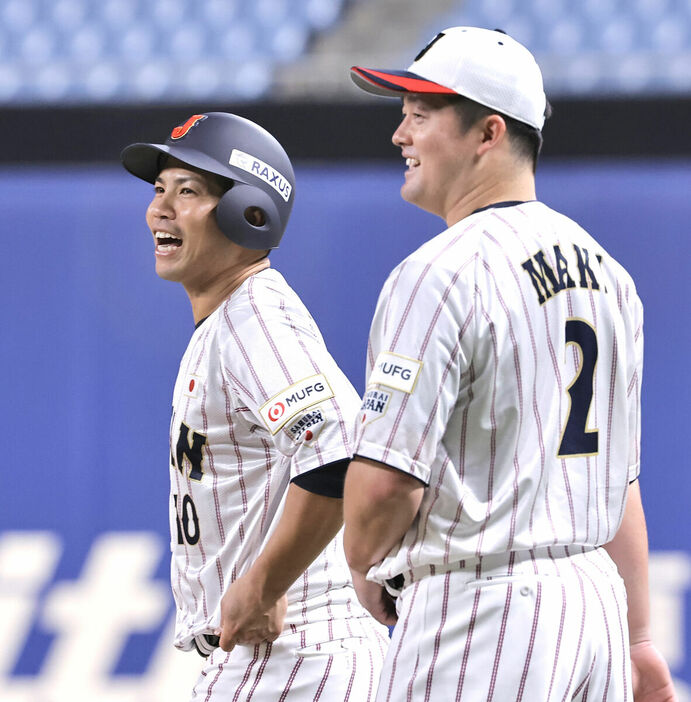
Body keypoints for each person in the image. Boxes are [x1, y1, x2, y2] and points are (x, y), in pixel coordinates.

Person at [342, 27, 677, 702]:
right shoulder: (608, 275)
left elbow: (383, 488)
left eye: (419, 115)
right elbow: (621, 486)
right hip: (592, 608)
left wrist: (364, 560)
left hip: (482, 612)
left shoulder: (436, 273)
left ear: (487, 133)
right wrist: (639, 642)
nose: (399, 136)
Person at [121, 112, 389, 700]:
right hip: (292, 654)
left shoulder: (252, 316)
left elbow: (338, 451)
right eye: (159, 190)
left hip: (293, 658)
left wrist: (266, 585)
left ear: (250, 214)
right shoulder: (230, 320)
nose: (159, 209)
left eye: (187, 191)